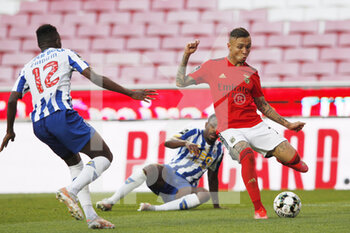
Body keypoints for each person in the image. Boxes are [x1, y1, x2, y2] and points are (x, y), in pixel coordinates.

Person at [0, 24, 157, 229]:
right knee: (104, 156)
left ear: (40, 45)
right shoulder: (66, 54)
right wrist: (130, 93)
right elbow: (94, 77)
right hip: (62, 117)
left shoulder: (28, 67)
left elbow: (12, 100)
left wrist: (10, 130)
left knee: (75, 164)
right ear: (57, 39)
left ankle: (91, 217)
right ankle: (70, 191)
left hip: (39, 126)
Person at [175, 27, 309, 219]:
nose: (245, 51)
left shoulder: (252, 73)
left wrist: (287, 125)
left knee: (298, 163)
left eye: (248, 47)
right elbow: (181, 82)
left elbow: (262, 105)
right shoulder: (212, 66)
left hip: (255, 125)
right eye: (240, 47)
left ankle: (283, 157)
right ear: (229, 46)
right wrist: (186, 56)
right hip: (229, 127)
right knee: (246, 154)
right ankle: (259, 209)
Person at [96, 114, 224, 212]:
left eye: (218, 128)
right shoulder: (194, 133)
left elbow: (212, 178)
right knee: (151, 168)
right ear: (206, 124)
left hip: (183, 188)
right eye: (212, 126)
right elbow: (168, 142)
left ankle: (155, 208)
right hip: (168, 175)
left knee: (204, 194)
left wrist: (216, 205)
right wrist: (185, 143)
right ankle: (110, 201)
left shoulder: (218, 150)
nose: (214, 130)